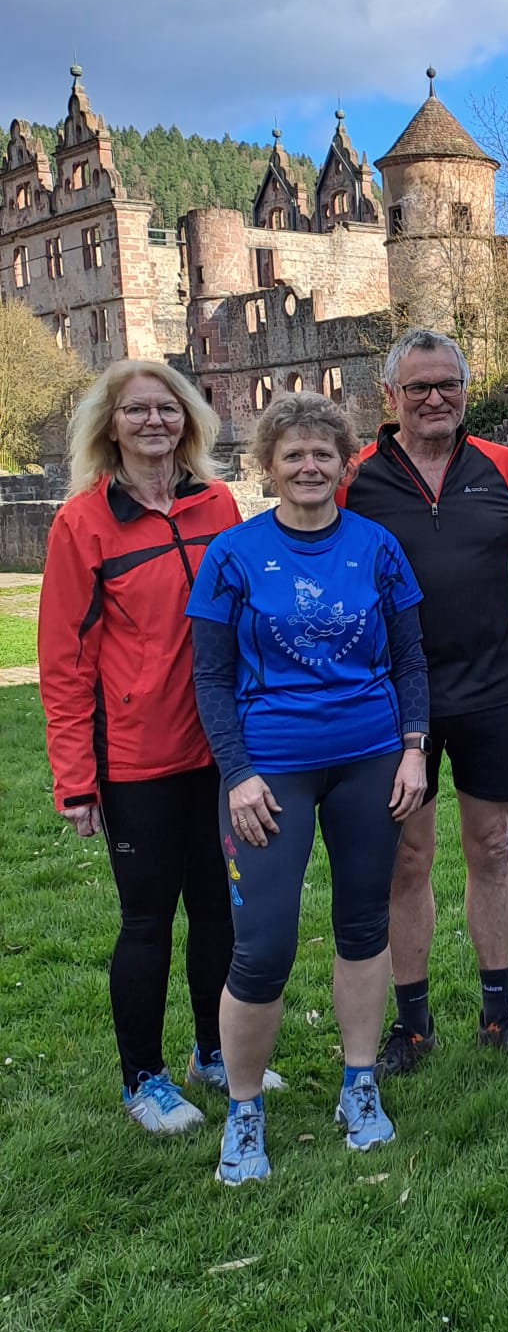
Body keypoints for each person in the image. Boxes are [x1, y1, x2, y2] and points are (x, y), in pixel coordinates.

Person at [188, 393, 429, 1185]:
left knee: (363, 925)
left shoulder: (377, 548)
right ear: (267, 467)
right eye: (292, 454)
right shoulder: (233, 556)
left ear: (346, 463)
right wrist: (237, 773)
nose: (309, 467)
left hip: (369, 759)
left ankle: (359, 1086)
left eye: (323, 453)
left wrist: (413, 750)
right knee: (262, 947)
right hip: (270, 770)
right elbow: (211, 678)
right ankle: (244, 1111)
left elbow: (410, 659)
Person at [38, 359, 252, 1135]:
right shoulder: (83, 524)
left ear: (188, 418)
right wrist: (75, 778)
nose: (154, 421)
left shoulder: (217, 504)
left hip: (220, 750)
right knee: (147, 921)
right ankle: (144, 1080)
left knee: (220, 912)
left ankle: (214, 1052)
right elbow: (65, 662)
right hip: (136, 758)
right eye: (136, 410)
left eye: (167, 408)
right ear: (111, 425)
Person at [341, 328, 508, 1074]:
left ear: (466, 389)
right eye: (418, 387)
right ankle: (413, 1024)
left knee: (491, 847)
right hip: (397, 703)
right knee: (408, 859)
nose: (435, 399)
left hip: (492, 690)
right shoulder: (356, 481)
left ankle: (499, 1013)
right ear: (389, 396)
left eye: (448, 385)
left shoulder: (506, 468)